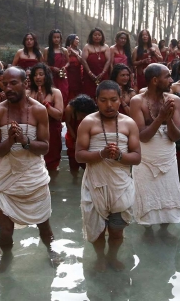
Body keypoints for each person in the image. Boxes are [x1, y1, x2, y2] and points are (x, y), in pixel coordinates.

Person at [0, 67, 58, 272]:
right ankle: (6, 259)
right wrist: (10, 140)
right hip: (7, 177)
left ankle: (51, 251)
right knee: (5, 233)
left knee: (44, 226)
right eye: (5, 83)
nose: (8, 87)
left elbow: (45, 147)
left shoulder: (38, 110)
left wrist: (25, 140)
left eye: (13, 83)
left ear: (25, 83)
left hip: (33, 176)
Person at [76, 80, 141, 272]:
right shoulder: (88, 122)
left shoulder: (129, 123)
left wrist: (119, 155)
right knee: (96, 231)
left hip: (120, 186)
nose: (109, 105)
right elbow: (79, 155)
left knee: (116, 230)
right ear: (96, 100)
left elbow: (137, 158)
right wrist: (101, 154)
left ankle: (112, 257)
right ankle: (100, 258)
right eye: (103, 100)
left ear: (121, 100)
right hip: (94, 184)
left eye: (113, 99)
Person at [130, 64, 180, 235]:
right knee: (146, 196)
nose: (171, 80)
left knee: (168, 195)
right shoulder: (137, 101)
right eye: (167, 76)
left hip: (167, 156)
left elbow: (175, 136)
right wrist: (160, 117)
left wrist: (168, 120)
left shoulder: (175, 100)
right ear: (155, 80)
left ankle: (164, 230)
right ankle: (147, 230)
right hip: (145, 158)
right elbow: (142, 136)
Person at [28, 63, 64, 174]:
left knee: (52, 165)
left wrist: (44, 104)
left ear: (47, 76)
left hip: (52, 131)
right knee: (33, 163)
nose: (37, 77)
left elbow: (58, 115)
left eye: (41, 74)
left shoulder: (55, 93)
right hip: (33, 130)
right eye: (35, 75)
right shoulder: (28, 93)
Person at [64, 94, 97, 178]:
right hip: (73, 134)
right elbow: (68, 124)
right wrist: (75, 139)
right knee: (73, 159)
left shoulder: (94, 110)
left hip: (88, 135)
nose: (83, 117)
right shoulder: (70, 108)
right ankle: (74, 179)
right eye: (82, 114)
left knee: (87, 160)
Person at [82, 28, 111, 99]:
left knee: (103, 94)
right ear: (91, 36)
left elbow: (108, 60)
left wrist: (103, 73)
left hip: (103, 75)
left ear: (102, 36)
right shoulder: (87, 46)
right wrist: (90, 73)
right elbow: (83, 60)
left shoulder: (106, 47)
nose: (97, 37)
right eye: (95, 35)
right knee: (89, 94)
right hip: (89, 76)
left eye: (99, 35)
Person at [44, 29, 69, 106]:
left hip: (62, 76)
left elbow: (68, 62)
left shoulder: (64, 50)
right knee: (51, 94)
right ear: (51, 38)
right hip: (51, 76)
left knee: (64, 93)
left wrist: (65, 67)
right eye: (54, 37)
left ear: (60, 39)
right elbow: (44, 64)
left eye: (58, 37)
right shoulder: (47, 50)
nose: (56, 39)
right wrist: (52, 68)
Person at [65, 34, 84, 102]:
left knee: (78, 91)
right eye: (76, 39)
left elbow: (82, 61)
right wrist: (69, 53)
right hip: (68, 74)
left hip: (77, 74)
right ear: (71, 40)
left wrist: (74, 53)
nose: (78, 41)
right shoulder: (65, 50)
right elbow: (64, 61)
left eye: (78, 39)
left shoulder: (79, 51)